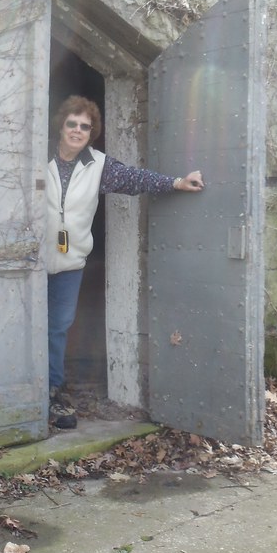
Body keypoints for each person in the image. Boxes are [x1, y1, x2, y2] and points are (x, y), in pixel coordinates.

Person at [45, 95, 204, 429]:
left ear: (92, 133)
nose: (77, 130)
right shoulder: (36, 154)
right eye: (72, 123)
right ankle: (21, 393)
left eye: (84, 126)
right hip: (29, 261)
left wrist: (176, 182)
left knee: (57, 327)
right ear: (61, 125)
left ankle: (52, 392)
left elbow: (135, 179)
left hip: (68, 263)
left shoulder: (97, 165)